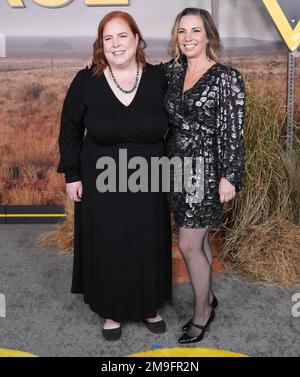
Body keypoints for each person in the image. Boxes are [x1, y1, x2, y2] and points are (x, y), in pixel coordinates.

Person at [57, 11, 172, 341]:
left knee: (147, 239)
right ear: (101, 45)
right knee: (108, 241)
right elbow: (69, 130)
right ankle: (112, 310)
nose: (116, 44)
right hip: (100, 175)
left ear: (136, 39)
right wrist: (72, 175)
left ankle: (149, 305)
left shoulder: (158, 78)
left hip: (150, 174)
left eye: (122, 36)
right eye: (108, 38)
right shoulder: (85, 81)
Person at [161, 8, 246, 344]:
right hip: (174, 169)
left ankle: (201, 314)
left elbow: (233, 131)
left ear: (209, 35)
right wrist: (100, 68)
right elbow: (137, 78)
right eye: (182, 31)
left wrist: (230, 175)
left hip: (206, 172)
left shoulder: (226, 78)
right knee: (198, 242)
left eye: (195, 31)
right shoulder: (171, 73)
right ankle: (208, 296)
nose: (188, 38)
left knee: (188, 244)